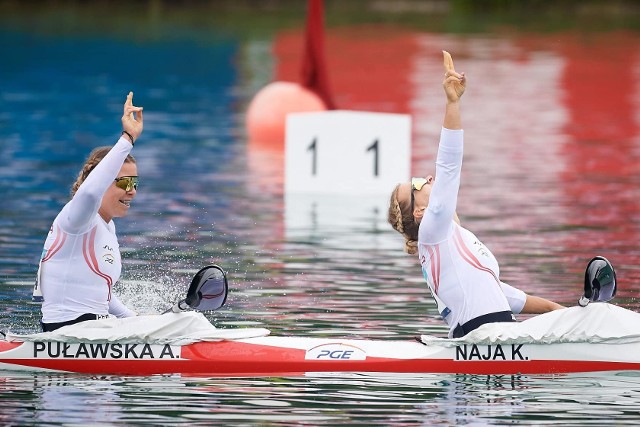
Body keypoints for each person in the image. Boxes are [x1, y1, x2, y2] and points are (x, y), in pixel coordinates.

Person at [387, 52, 564, 338]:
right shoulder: (432, 230)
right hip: (484, 340)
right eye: (418, 184)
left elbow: (507, 297)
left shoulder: (451, 243)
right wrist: (452, 103)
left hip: (493, 336)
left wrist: (564, 313)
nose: (427, 179)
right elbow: (449, 165)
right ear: (420, 213)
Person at [34, 92, 144, 332]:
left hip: (94, 330)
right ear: (102, 181)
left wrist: (138, 319)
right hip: (68, 331)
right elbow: (89, 194)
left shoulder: (106, 226)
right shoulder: (76, 219)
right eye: (125, 183)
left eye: (135, 184)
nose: (132, 191)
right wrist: (127, 138)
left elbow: (99, 295)